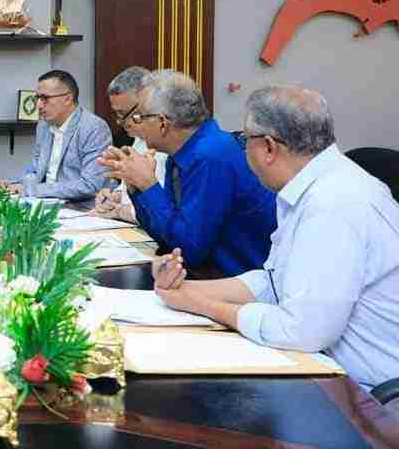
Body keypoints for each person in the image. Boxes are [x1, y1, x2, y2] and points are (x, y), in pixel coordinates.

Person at [153, 85, 399, 392]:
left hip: (366, 395)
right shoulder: (312, 186)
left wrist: (201, 304)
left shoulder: (334, 204)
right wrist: (184, 288)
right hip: (323, 368)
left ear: (268, 148)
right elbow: (274, 281)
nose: (243, 150)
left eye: (244, 140)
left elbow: (302, 331)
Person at [98, 70, 276, 277]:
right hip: (202, 277)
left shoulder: (210, 156)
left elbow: (190, 251)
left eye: (140, 117)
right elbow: (167, 236)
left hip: (235, 283)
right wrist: (135, 185)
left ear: (162, 123)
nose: (136, 124)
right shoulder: (181, 153)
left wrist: (148, 185)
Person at [1, 70, 111, 207]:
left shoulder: (94, 128)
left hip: (80, 208)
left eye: (45, 98)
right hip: (44, 203)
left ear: (67, 99)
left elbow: (90, 184)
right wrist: (17, 184)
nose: (39, 105)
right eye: (38, 98)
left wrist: (32, 190)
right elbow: (36, 171)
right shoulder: (43, 125)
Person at [93, 66, 168, 223]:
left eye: (124, 114)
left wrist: (120, 211)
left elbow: (166, 211)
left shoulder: (169, 141)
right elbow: (132, 190)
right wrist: (114, 197)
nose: (121, 122)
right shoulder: (139, 139)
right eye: (117, 114)